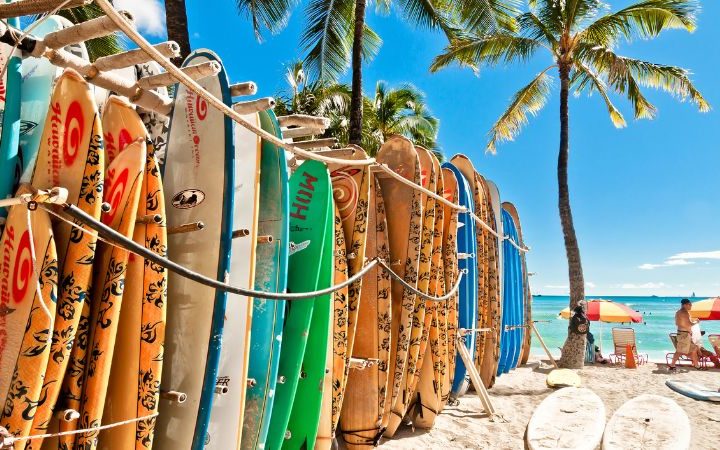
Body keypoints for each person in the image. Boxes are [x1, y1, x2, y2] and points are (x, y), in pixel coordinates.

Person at [668, 298, 701, 371]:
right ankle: (672, 365)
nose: (691, 305)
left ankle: (696, 365)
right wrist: (697, 322)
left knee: (694, 348)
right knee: (679, 351)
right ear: (685, 305)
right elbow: (689, 324)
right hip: (684, 335)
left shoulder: (678, 312)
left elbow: (678, 323)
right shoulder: (685, 312)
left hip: (683, 333)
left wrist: (693, 322)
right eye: (690, 304)